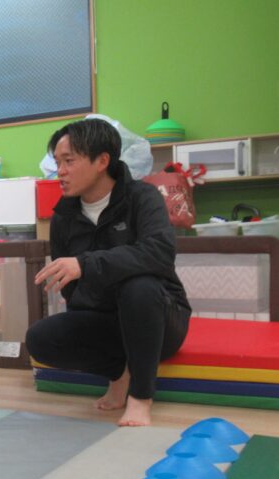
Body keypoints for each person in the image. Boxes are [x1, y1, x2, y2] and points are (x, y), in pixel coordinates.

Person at [25, 118, 191, 427]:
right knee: (40, 338)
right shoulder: (63, 217)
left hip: (160, 318)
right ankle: (118, 373)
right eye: (57, 162)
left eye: (69, 161)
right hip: (106, 322)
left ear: (102, 161)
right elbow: (71, 289)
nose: (60, 171)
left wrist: (86, 265)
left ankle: (140, 397)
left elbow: (159, 253)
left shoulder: (142, 197)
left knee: (139, 287)